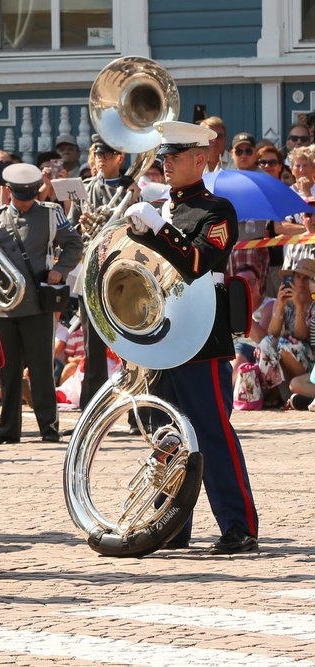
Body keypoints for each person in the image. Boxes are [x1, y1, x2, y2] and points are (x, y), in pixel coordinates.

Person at [123, 120, 259, 554]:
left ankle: (238, 525)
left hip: (201, 334)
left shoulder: (216, 210)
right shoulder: (160, 207)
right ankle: (171, 522)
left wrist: (158, 229)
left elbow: (199, 260)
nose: (165, 163)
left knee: (211, 430)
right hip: (160, 333)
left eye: (175, 156)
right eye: (163, 156)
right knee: (167, 435)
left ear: (200, 160)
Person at [0, 163, 82, 445]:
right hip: (3, 305)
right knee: (8, 370)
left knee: (40, 368)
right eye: (19, 196)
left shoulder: (52, 214)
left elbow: (74, 243)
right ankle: (7, 429)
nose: (25, 202)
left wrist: (61, 268)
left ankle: (49, 427)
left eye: (30, 195)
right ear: (9, 192)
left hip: (38, 303)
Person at [68, 134, 133, 410]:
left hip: (121, 269)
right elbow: (71, 232)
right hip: (92, 270)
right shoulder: (84, 188)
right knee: (92, 345)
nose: (100, 161)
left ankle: (133, 407)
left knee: (131, 343)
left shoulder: (132, 189)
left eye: (106, 156)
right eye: (97, 155)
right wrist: (82, 225)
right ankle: (91, 406)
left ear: (120, 158)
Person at [256, 260, 315, 400]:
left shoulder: (313, 303)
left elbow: (302, 335)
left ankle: (292, 392)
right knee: (266, 343)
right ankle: (274, 392)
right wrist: (280, 307)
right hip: (290, 352)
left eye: (306, 278)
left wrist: (299, 307)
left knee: (284, 345)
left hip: (309, 358)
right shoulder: (285, 300)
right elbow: (272, 332)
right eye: (298, 277)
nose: (301, 281)